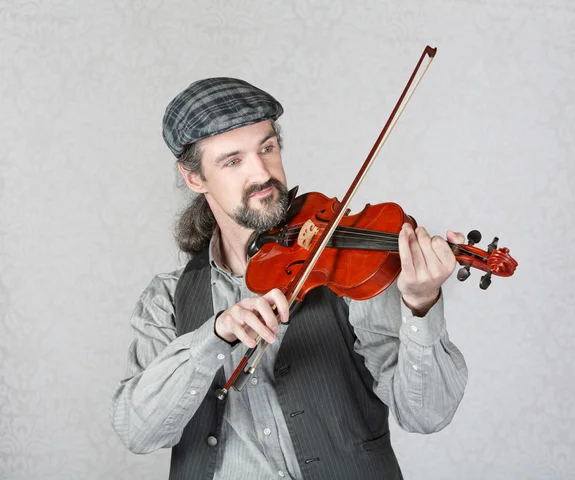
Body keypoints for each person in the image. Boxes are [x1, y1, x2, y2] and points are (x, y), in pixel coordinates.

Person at [110, 78, 468, 480]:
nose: (262, 173)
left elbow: (426, 414)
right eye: (233, 161)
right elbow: (137, 432)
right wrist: (214, 337)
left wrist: (421, 306)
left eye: (267, 148)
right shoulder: (168, 297)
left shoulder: (343, 268)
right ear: (194, 178)